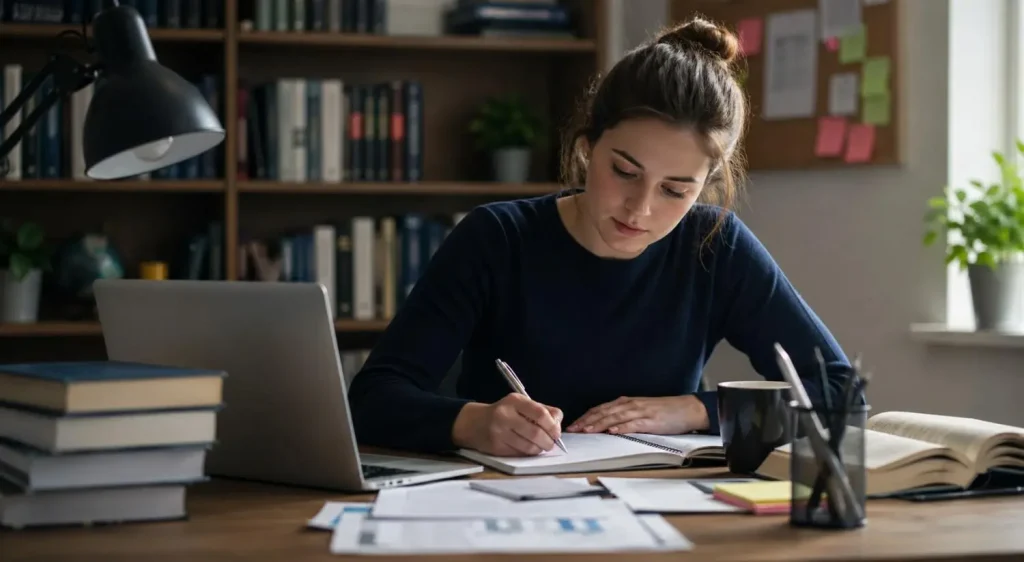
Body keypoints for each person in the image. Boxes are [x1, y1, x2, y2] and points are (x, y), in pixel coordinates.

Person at [347, 17, 852, 457]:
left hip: (663, 503)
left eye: (676, 190)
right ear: (588, 148)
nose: (641, 208)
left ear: (705, 187)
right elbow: (374, 397)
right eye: (625, 171)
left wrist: (696, 410)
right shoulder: (496, 238)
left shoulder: (714, 245)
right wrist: (473, 422)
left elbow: (840, 392)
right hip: (505, 500)